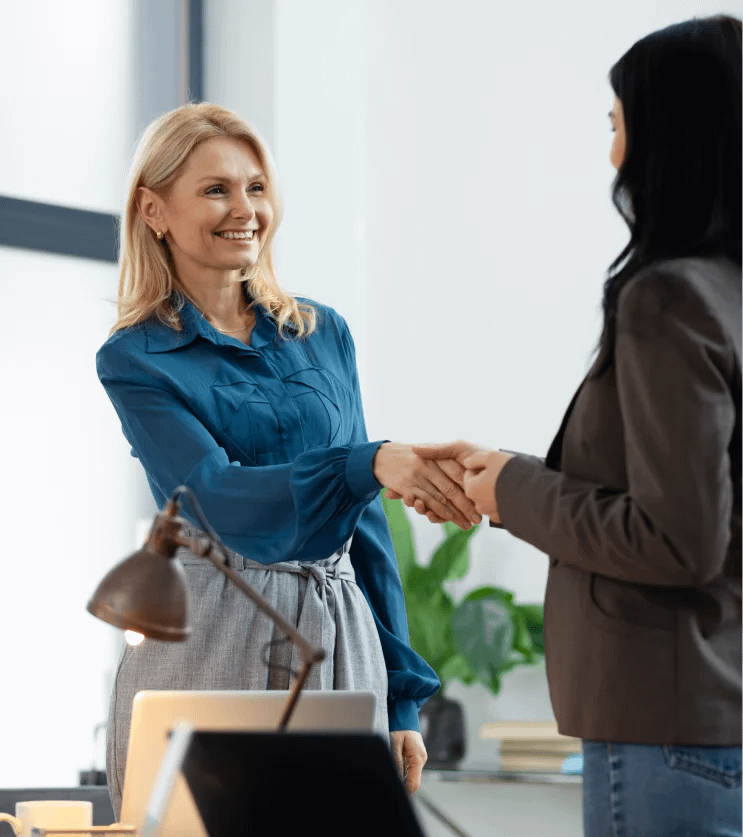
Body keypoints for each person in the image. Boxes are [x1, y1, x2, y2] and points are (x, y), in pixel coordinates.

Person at [408, 15, 743, 837]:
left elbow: (679, 539)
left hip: (667, 732)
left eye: (616, 124)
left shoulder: (669, 297)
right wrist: (507, 474)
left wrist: (512, 491)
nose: (610, 154)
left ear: (668, 138)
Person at [96, 102, 482, 814]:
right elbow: (218, 496)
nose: (244, 208)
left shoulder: (321, 332)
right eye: (215, 189)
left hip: (339, 633)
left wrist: (400, 699)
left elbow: (362, 526)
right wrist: (362, 464)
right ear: (154, 210)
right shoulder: (135, 358)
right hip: (213, 627)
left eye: (255, 186)